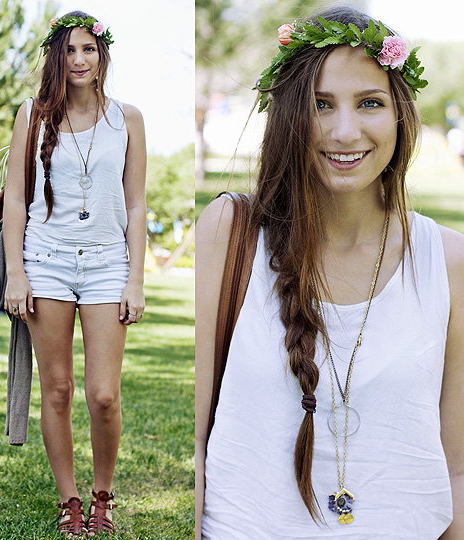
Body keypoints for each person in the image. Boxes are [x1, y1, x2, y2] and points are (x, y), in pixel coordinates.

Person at [196, 6, 464, 539]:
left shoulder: (449, 261)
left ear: (400, 116)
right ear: (291, 114)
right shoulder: (231, 232)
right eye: (321, 104)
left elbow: (456, 466)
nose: (346, 131)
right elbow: (193, 448)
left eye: (370, 102)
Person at [3, 11, 146, 537]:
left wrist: (136, 279)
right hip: (47, 262)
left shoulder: (127, 118)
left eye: (88, 49)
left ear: (102, 54)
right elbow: (16, 197)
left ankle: (103, 494)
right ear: (55, 58)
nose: (79, 60)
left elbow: (135, 206)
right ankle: (71, 502)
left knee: (104, 394)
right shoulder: (32, 115)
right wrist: (17, 273)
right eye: (69, 51)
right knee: (57, 389)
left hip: (109, 262)